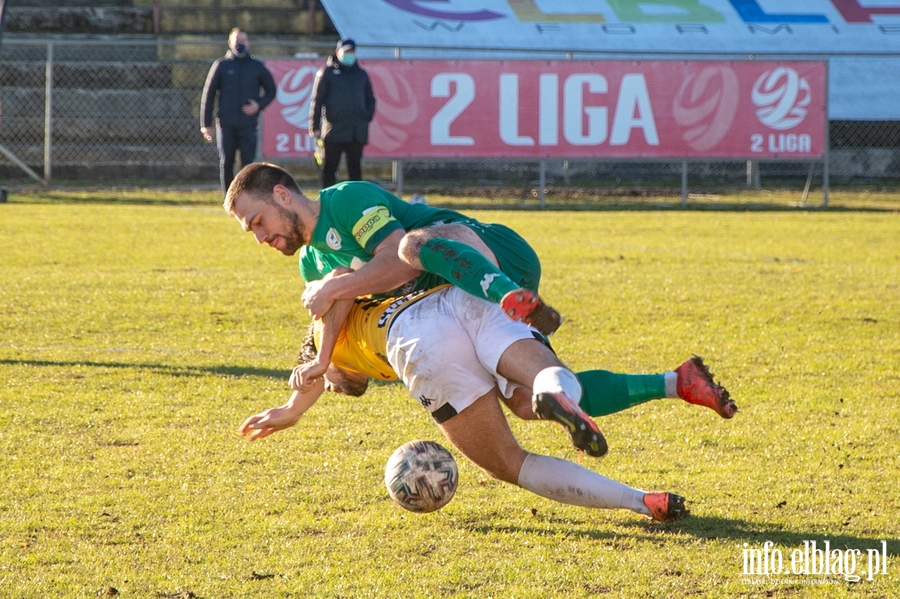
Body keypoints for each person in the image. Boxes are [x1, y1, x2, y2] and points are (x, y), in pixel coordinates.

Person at [239, 271, 736, 521]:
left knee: (507, 461)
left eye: (332, 384)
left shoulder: (329, 335)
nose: (337, 389)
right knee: (534, 390)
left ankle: (640, 502)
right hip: (462, 298)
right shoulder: (365, 291)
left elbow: (312, 366)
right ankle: (676, 382)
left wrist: (294, 403)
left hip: (421, 339)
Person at [224, 162, 563, 337]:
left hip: (493, 249)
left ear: (283, 196)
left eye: (258, 221)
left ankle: (508, 295)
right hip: (458, 289)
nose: (259, 237)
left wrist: (331, 288)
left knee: (410, 246)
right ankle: (585, 393)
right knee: (525, 396)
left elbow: (402, 267)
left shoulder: (345, 199)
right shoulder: (311, 263)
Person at [200, 28, 276, 196]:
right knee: (227, 162)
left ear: (248, 43)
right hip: (226, 124)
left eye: (243, 40)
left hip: (248, 124)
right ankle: (229, 197)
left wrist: (259, 105)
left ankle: (247, 197)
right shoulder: (221, 65)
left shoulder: (257, 67)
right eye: (236, 40)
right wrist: (206, 124)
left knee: (248, 164)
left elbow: (272, 91)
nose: (240, 44)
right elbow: (209, 94)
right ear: (229, 43)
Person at [309, 38, 376, 188]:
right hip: (334, 129)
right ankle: (327, 202)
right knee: (330, 168)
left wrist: (366, 116)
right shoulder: (327, 73)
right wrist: (314, 126)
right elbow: (317, 100)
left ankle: (356, 203)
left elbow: (371, 99)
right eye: (346, 52)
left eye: (351, 52)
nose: (349, 55)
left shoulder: (361, 74)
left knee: (355, 169)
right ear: (337, 52)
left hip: (356, 131)